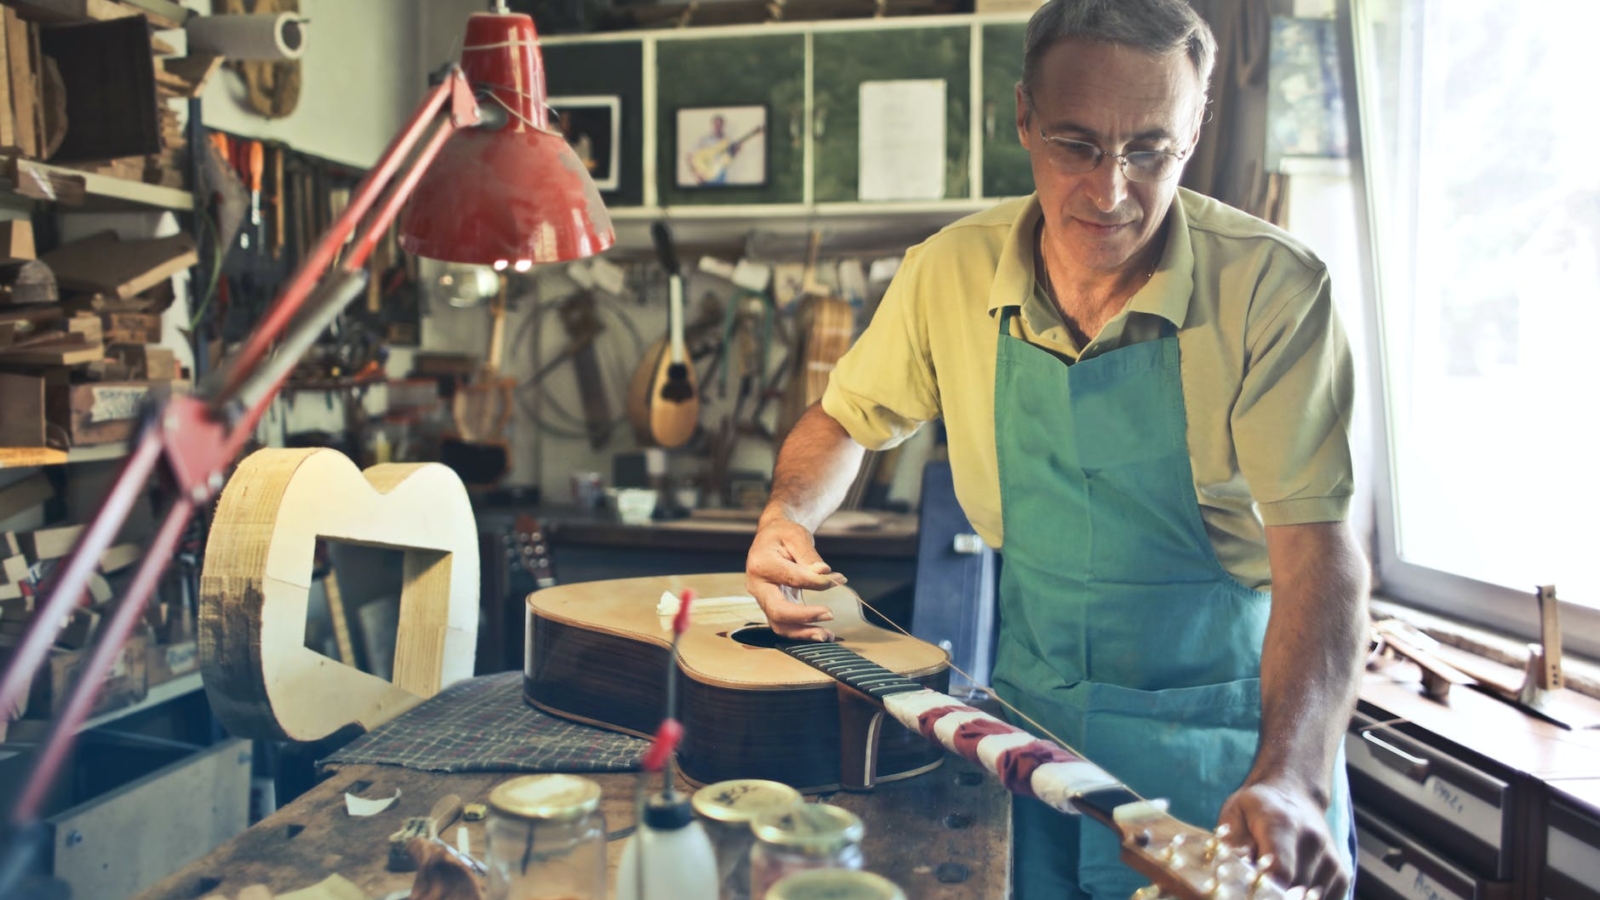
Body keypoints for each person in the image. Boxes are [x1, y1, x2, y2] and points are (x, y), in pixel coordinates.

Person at [743, 1, 1368, 898]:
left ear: (1196, 129)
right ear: (1024, 120)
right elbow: (844, 419)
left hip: (1227, 768)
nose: (1112, 191)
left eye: (1151, 150)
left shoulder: (1272, 289)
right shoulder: (947, 273)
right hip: (1028, 754)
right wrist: (786, 516)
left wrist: (1294, 774)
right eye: (1077, 145)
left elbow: (1320, 552)